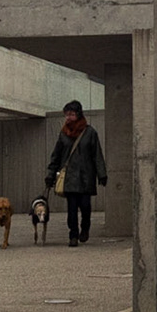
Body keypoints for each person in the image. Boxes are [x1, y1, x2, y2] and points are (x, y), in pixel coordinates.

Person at [44, 100, 106, 246]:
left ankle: (85, 228)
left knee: (85, 206)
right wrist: (50, 175)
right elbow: (56, 156)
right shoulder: (63, 134)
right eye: (67, 114)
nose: (68, 117)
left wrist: (102, 174)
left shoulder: (90, 133)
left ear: (78, 114)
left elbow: (97, 154)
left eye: (71, 114)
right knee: (72, 209)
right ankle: (73, 235)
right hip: (69, 177)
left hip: (86, 176)